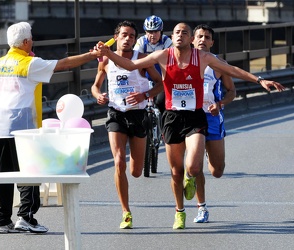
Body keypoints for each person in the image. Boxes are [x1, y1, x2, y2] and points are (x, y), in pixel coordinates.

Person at [97, 22, 285, 230]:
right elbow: (131, 66)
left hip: (195, 117)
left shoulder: (203, 58)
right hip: (171, 118)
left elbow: (231, 69)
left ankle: (191, 177)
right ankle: (180, 211)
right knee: (175, 172)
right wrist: (108, 53)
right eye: (176, 32)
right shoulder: (163, 55)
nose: (180, 35)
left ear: (190, 39)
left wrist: (259, 80)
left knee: (193, 167)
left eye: (184, 33)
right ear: (172, 36)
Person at [0, 21, 103, 234]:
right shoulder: (30, 64)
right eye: (32, 38)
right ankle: (25, 217)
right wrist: (91, 56)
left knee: (4, 173)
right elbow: (64, 64)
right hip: (23, 126)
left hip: (0, 126)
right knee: (29, 171)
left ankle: (2, 219)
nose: (33, 41)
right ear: (26, 42)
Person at [91, 20, 163, 229]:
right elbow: (95, 86)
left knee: (136, 171)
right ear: (116, 37)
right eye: (124, 34)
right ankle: (126, 212)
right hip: (116, 113)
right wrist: (99, 96)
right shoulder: (105, 60)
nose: (128, 38)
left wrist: (145, 94)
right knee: (119, 161)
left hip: (138, 114)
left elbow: (161, 83)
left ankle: (141, 154)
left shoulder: (142, 59)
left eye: (132, 35)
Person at [191, 24, 236, 223]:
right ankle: (202, 207)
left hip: (212, 117)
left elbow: (232, 91)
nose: (202, 39)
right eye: (199, 36)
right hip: (191, 117)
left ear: (211, 42)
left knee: (217, 171)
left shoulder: (219, 64)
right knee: (196, 166)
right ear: (192, 40)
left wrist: (220, 103)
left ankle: (208, 153)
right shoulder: (182, 61)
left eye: (206, 37)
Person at [134, 15, 172, 114]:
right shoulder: (141, 41)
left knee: (160, 102)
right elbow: (135, 60)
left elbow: (174, 58)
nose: (153, 35)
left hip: (162, 78)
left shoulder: (166, 41)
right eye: (150, 32)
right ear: (146, 32)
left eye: (156, 32)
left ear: (161, 31)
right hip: (146, 77)